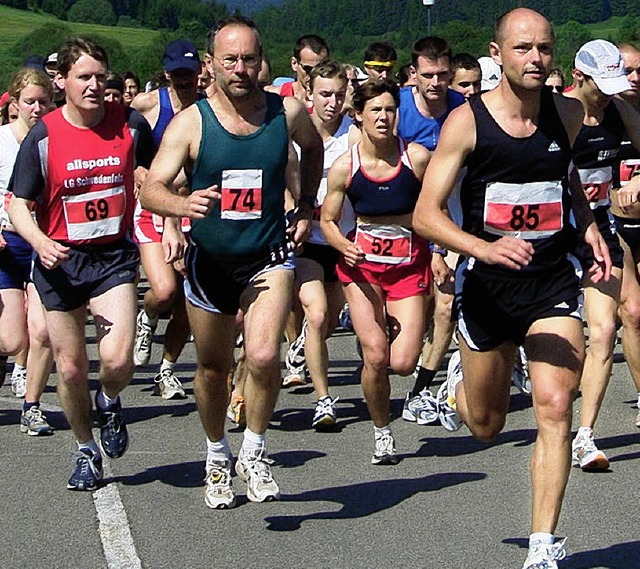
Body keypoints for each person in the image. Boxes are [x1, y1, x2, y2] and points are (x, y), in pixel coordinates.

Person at [412, 9, 610, 568]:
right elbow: (426, 215)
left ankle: (543, 547)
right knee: (486, 425)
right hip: (488, 287)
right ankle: (458, 388)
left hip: (549, 281)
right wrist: (484, 247)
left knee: (554, 403)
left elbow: (565, 175)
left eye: (544, 49)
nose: (535, 59)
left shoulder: (567, 114)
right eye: (523, 49)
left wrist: (588, 224)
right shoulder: (467, 123)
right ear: (497, 55)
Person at [139, 16, 323, 509]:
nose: (241, 69)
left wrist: (306, 205)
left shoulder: (285, 112)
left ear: (261, 60)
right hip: (210, 263)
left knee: (264, 356)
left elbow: (313, 147)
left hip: (268, 256)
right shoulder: (192, 123)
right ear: (211, 65)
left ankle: (255, 450)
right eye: (230, 60)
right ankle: (216, 454)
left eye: (249, 59)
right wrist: (181, 207)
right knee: (214, 369)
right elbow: (151, 187)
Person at [9, 36, 155, 491]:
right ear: (63, 81)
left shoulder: (129, 125)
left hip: (111, 256)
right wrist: (38, 240)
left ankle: (109, 398)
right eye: (84, 77)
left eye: (100, 77)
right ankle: (86, 451)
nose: (94, 86)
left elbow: (155, 177)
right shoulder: (45, 135)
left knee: (117, 358)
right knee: (70, 369)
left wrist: (170, 218)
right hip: (60, 261)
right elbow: (17, 203)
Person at [322, 78, 431, 464]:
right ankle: (382, 431)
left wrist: (440, 253)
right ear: (359, 117)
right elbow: (328, 221)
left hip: (407, 267)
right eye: (376, 111)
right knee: (376, 356)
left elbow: (436, 210)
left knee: (401, 363)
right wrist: (342, 245)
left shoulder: (415, 158)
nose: (384, 118)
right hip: (363, 270)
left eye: (390, 110)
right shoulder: (344, 166)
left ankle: (376, 350)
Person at [563, 40, 640, 472]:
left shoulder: (618, 111)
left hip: (601, 235)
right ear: (579, 77)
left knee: (605, 330)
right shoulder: (559, 113)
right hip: (557, 235)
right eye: (601, 85)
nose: (610, 92)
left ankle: (584, 436)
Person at [396, 36, 465, 424]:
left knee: (444, 305)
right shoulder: (398, 110)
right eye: (427, 75)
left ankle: (421, 390)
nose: (435, 83)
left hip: (446, 217)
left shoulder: (463, 111)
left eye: (442, 75)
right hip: (403, 220)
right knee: (412, 316)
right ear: (412, 74)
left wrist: (441, 245)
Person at [131, 39, 202, 399]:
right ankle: (147, 317)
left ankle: (167, 368)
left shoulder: (209, 107)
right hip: (154, 209)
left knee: (189, 300)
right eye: (178, 75)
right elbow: (121, 141)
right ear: (166, 74)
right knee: (163, 291)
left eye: (189, 74)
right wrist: (137, 170)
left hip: (194, 209)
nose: (184, 81)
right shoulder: (147, 105)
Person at [288, 60, 355, 428]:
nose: (332, 102)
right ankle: (324, 399)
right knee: (315, 314)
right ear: (309, 94)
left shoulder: (355, 135)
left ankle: (302, 345)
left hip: (343, 242)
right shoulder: (298, 135)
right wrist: (292, 210)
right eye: (325, 95)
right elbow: (282, 177)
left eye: (339, 95)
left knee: (326, 322)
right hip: (308, 241)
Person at [0, 67, 54, 435]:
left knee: (43, 331)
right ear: (15, 104)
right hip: (6, 244)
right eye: (30, 101)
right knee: (11, 340)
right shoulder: (2, 140)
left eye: (44, 101)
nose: (37, 108)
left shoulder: (55, 140)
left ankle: (32, 406)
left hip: (43, 244)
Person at [611, 42, 640, 428]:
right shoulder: (591, 115)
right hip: (614, 230)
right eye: (627, 70)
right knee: (631, 313)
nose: (634, 78)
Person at [265, 34, 329, 110]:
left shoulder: (331, 102)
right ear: (294, 63)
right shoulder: (274, 96)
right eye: (308, 69)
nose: (313, 74)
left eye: (320, 69)